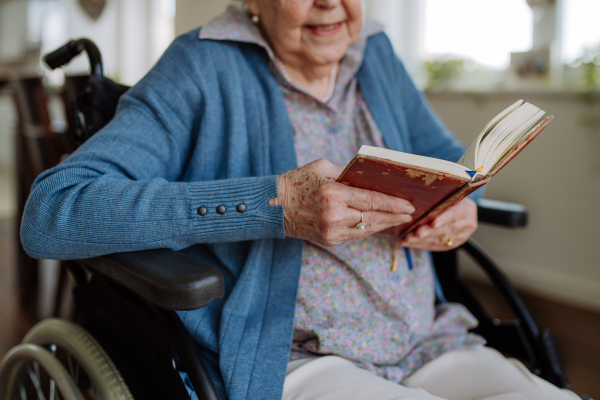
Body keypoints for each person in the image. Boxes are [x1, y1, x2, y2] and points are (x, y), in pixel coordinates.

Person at [22, 1, 578, 399]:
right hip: (299, 357)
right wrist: (276, 203)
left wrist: (459, 208)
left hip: (428, 336)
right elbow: (53, 212)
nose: (330, 5)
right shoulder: (200, 67)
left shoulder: (373, 52)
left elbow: (444, 155)